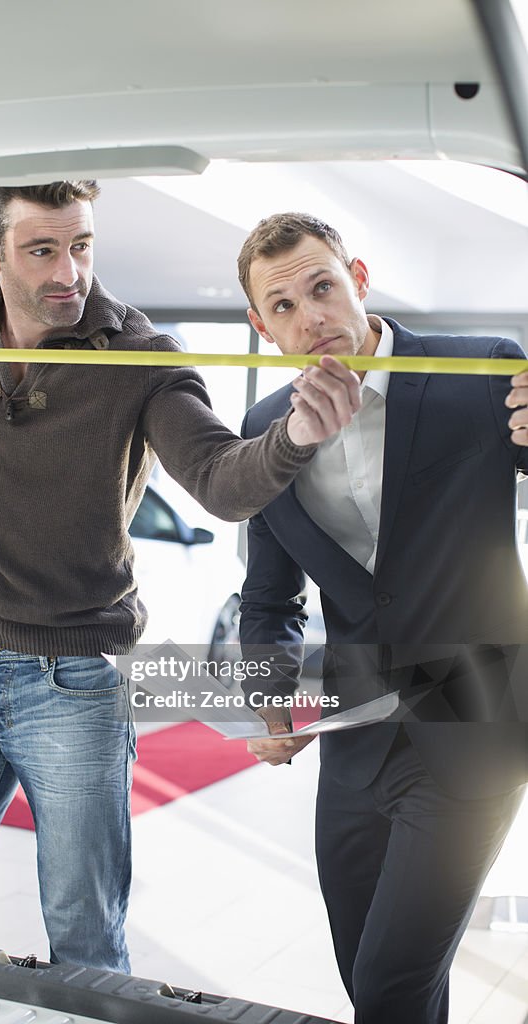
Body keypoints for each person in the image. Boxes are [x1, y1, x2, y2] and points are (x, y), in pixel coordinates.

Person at [0, 181, 317, 973]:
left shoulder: (142, 358)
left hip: (78, 687)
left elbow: (220, 482)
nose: (70, 271)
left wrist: (299, 431)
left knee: (85, 937)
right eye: (42, 250)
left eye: (82, 245)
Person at [236, 212, 528, 1024]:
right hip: (355, 741)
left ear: (357, 279)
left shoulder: (481, 371)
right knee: (366, 974)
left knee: (391, 988)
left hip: (474, 724)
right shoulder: (264, 431)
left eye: (322, 288)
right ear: (261, 326)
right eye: (284, 307)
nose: (312, 319)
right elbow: (269, 599)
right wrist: (267, 697)